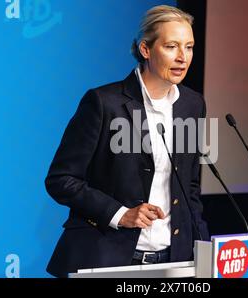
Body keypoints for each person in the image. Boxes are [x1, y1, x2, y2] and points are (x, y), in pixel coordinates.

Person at [45, 5, 209, 278]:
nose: (183, 57)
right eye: (171, 46)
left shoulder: (193, 104)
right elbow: (61, 180)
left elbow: (189, 185)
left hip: (174, 263)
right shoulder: (103, 103)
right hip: (108, 257)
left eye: (189, 47)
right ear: (145, 49)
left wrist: (202, 251)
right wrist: (121, 214)